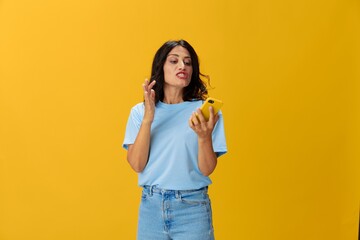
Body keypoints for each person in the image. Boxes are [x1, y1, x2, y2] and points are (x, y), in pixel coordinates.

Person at [123, 39, 227, 240]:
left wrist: (204, 137)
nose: (182, 66)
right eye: (174, 61)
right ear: (160, 66)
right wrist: (148, 119)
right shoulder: (140, 112)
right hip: (151, 207)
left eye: (188, 63)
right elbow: (136, 164)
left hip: (192, 207)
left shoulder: (206, 112)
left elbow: (207, 168)